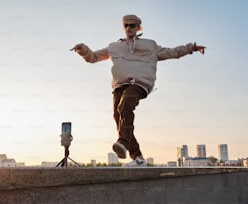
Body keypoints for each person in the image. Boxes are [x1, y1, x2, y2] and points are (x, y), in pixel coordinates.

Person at [71, 14, 205, 167]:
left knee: (126, 104)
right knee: (118, 117)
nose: (129, 28)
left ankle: (122, 142)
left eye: (132, 25)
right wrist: (83, 50)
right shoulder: (114, 47)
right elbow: (94, 57)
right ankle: (138, 158)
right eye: (126, 25)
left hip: (140, 84)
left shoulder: (150, 46)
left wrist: (191, 48)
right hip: (119, 85)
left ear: (138, 27)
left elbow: (171, 52)